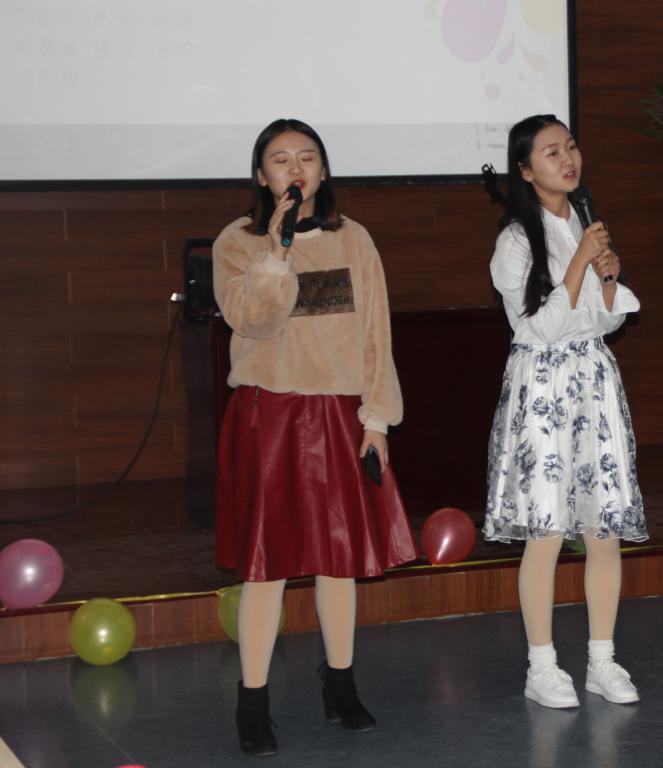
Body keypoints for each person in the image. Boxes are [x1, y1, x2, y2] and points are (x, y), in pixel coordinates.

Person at [213, 118, 417, 755]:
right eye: (281, 159)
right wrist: (277, 252)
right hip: (268, 416)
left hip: (337, 414)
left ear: (323, 171)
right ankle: (252, 700)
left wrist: (376, 421)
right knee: (265, 567)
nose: (295, 168)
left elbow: (376, 334)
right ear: (261, 176)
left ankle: (341, 683)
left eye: (307, 157)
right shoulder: (237, 242)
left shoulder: (353, 239)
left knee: (339, 560)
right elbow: (253, 319)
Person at [483, 114, 647, 709]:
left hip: (593, 379)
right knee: (547, 532)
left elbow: (603, 319)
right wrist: (580, 259)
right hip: (544, 385)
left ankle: (602, 660)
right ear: (525, 170)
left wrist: (610, 279)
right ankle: (542, 666)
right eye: (551, 152)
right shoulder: (514, 242)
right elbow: (542, 327)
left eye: (571, 146)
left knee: (603, 529)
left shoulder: (584, 220)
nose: (567, 158)